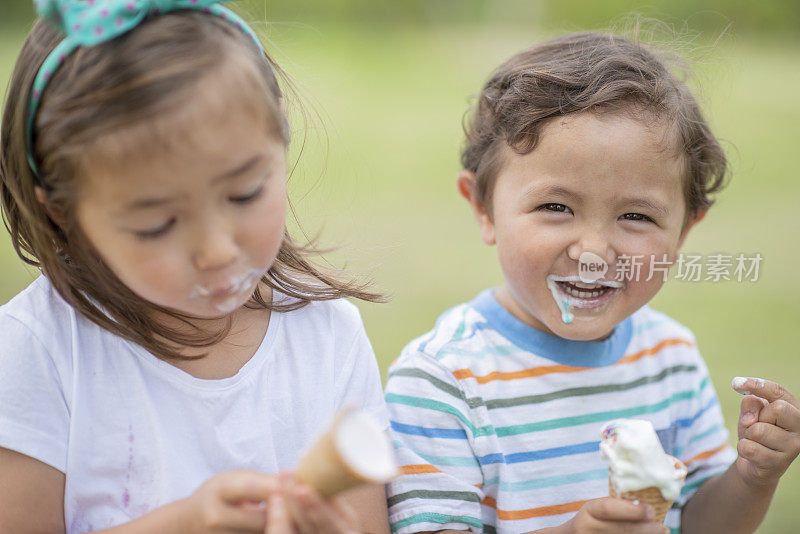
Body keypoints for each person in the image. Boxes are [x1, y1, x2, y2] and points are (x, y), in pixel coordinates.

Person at [384, 31, 800, 534]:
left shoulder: (669, 357)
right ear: (483, 208)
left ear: (685, 229)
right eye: (555, 208)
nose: (594, 253)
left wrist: (753, 477)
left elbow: (697, 524)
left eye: (635, 216)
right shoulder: (442, 379)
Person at [0, 1, 390, 533]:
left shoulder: (328, 336)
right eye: (157, 225)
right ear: (63, 212)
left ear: (279, 127)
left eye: (246, 193)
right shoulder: (36, 351)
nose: (217, 251)